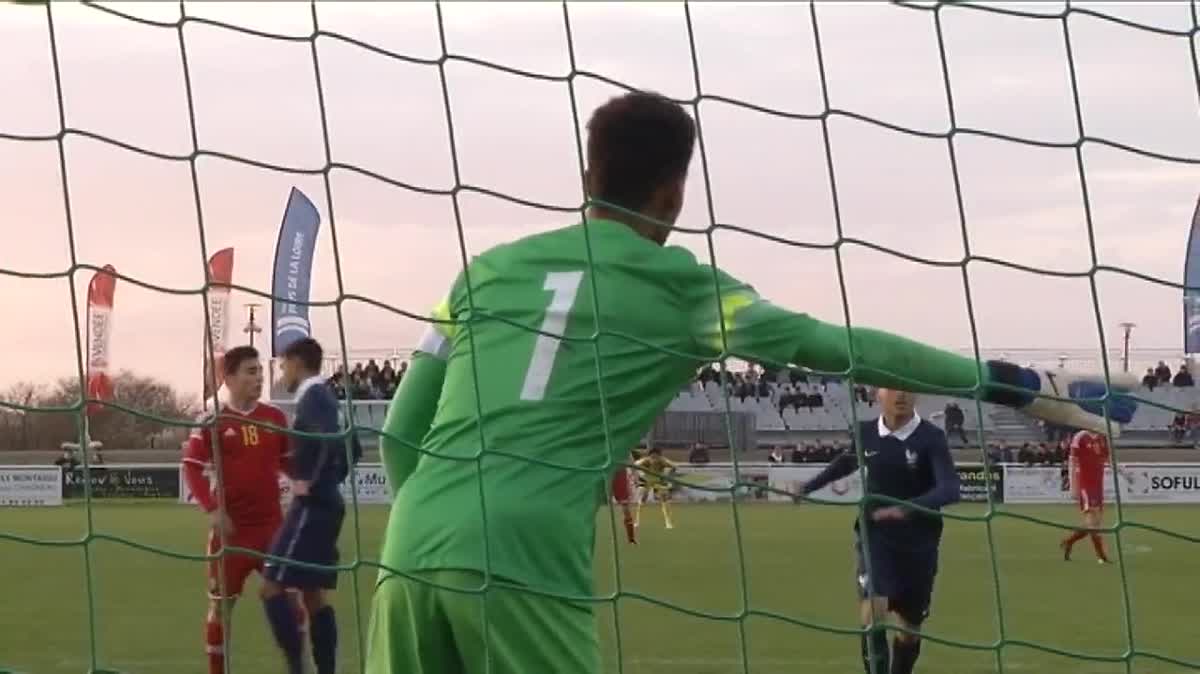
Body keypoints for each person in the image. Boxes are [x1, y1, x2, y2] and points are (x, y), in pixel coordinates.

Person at [365, 91, 1137, 674]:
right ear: (673, 195)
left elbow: (401, 433)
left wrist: (440, 527)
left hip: (410, 549)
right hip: (524, 559)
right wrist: (1005, 382)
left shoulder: (482, 271)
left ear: (585, 175)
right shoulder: (685, 289)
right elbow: (839, 348)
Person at [797, 388, 959, 674]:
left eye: (908, 391)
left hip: (920, 542)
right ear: (877, 396)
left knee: (910, 628)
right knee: (873, 610)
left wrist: (906, 508)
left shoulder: (931, 438)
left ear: (916, 397)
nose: (902, 396)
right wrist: (808, 486)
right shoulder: (865, 432)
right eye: (893, 390)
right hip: (876, 535)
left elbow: (949, 488)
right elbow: (847, 462)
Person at [181, 346, 294, 674]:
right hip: (231, 535)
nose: (258, 378)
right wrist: (213, 509)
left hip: (273, 529)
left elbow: (289, 463)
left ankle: (298, 666)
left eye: (259, 371)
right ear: (228, 378)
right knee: (221, 608)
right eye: (249, 371)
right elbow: (191, 466)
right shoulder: (212, 420)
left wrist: (308, 480)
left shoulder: (276, 418)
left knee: (290, 599)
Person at [261, 338, 360, 674]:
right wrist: (332, 479)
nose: (282, 371)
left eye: (284, 363)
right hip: (327, 503)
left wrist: (311, 481)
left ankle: (297, 669)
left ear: (298, 362)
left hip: (312, 506)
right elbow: (354, 447)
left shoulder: (312, 396)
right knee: (313, 593)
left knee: (272, 584)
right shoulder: (328, 396)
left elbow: (329, 435)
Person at [1060, 429, 1116, 563]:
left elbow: (1108, 458)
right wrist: (1073, 486)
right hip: (1085, 483)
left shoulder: (1102, 437)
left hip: (1098, 485)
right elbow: (1072, 461)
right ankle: (1101, 556)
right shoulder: (1080, 436)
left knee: (1095, 524)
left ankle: (1068, 542)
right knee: (1092, 524)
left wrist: (1121, 471)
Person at [634, 447, 679, 530]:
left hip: (658, 480)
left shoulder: (662, 460)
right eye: (652, 456)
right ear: (650, 456)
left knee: (664, 498)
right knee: (643, 498)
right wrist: (642, 474)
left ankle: (668, 522)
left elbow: (674, 466)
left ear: (659, 456)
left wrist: (667, 475)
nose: (654, 459)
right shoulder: (645, 460)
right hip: (647, 480)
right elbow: (635, 465)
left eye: (656, 456)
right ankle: (637, 521)